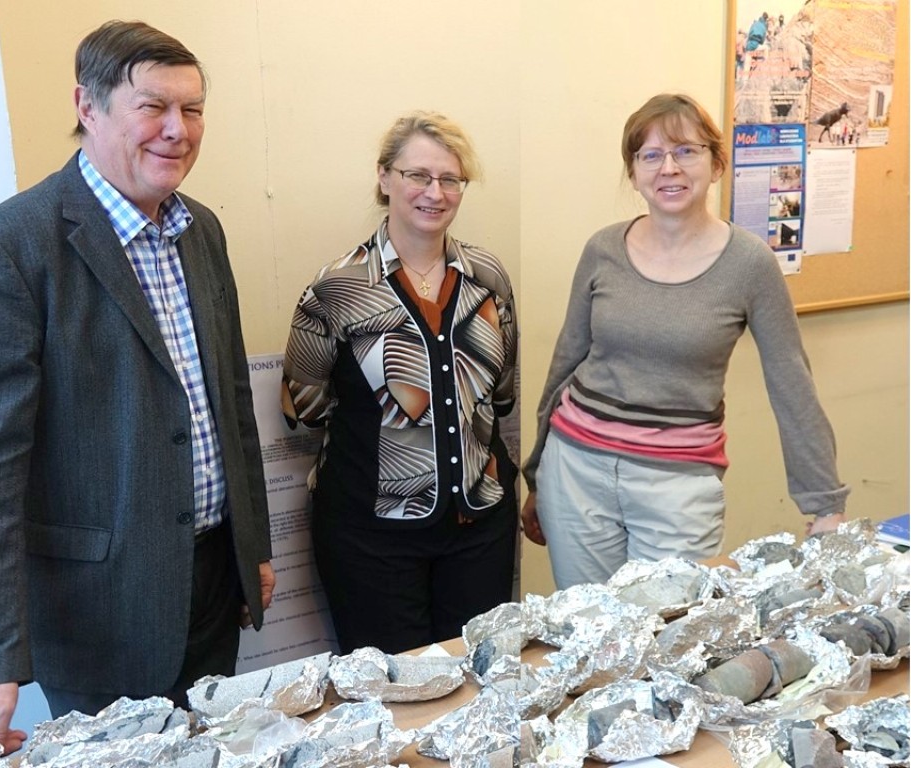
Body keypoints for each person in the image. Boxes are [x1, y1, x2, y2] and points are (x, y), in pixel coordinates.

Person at [0, 20, 275, 754]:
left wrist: (254, 547)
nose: (178, 130)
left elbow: (230, 403)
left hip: (214, 584)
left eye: (193, 109)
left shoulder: (201, 230)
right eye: (153, 107)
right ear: (87, 106)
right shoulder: (4, 249)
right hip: (99, 611)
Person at [520, 93, 849, 589]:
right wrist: (536, 476)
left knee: (670, 627)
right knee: (584, 627)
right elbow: (566, 361)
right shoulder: (603, 249)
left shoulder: (750, 264)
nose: (668, 168)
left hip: (677, 487)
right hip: (575, 473)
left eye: (685, 151)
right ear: (634, 173)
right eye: (650, 155)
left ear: (716, 164)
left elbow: (791, 382)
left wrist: (824, 504)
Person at [282, 111, 519, 654]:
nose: (435, 193)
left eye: (450, 179)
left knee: (481, 678)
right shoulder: (337, 289)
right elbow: (304, 407)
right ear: (385, 177)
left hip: (479, 527)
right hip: (370, 540)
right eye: (418, 175)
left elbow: (502, 392)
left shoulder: (488, 278)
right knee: (393, 691)